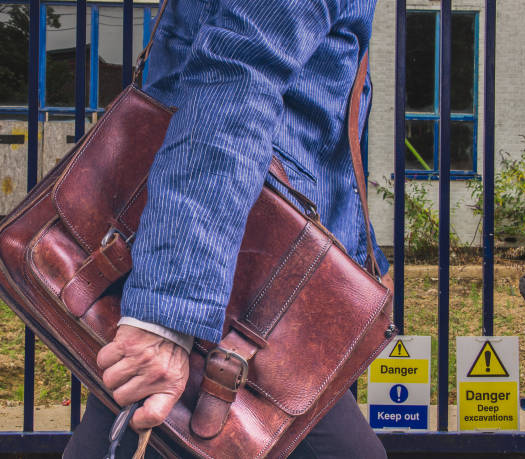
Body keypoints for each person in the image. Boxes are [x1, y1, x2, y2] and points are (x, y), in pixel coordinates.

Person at [63, 0, 392, 457]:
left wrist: (360, 255)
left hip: (243, 270)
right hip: (236, 275)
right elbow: (236, 84)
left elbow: (313, 125)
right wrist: (166, 313)